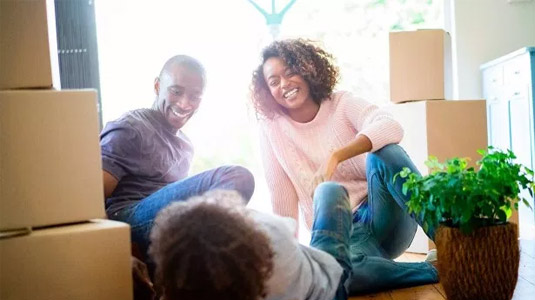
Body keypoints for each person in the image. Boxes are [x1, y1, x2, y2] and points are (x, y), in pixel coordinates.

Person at [250, 39, 438, 295]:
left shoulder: (341, 103)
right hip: (345, 236)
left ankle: (449, 241)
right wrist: (288, 262)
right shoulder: (271, 129)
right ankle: (434, 269)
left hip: (385, 216)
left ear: (307, 68)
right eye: (274, 81)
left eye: (290, 71)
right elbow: (281, 198)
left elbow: (390, 126)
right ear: (267, 91)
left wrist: (336, 156)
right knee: (337, 274)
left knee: (384, 153)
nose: (284, 84)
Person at [100, 55, 255, 263]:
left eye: (195, 96)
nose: (184, 103)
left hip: (169, 226)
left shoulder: (186, 146)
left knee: (260, 231)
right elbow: (91, 200)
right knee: (236, 177)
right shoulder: (131, 128)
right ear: (157, 86)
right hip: (128, 220)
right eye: (176, 91)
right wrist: (117, 252)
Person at [148, 189, 346, 300]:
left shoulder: (198, 286)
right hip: (330, 279)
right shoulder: (270, 233)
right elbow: (290, 226)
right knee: (329, 191)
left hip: (307, 265)